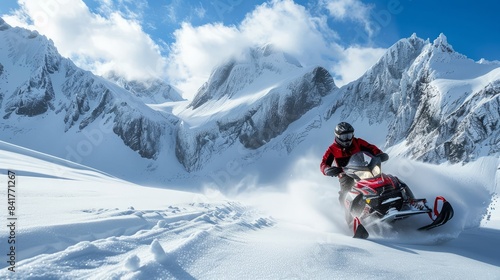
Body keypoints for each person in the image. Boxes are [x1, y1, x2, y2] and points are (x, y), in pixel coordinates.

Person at [320, 122, 389, 203]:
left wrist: (379, 154)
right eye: (344, 136)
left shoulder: (358, 142)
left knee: (381, 179)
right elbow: (324, 163)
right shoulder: (332, 149)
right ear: (338, 136)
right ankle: (348, 214)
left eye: (349, 135)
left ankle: (389, 196)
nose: (347, 139)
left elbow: (371, 148)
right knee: (345, 194)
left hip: (364, 170)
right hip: (346, 175)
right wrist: (327, 170)